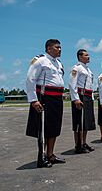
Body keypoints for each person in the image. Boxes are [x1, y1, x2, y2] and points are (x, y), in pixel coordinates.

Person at [26, 39, 66, 168]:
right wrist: (33, 100)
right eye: (57, 47)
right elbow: (30, 79)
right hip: (44, 98)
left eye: (60, 47)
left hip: (57, 99)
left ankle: (50, 154)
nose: (60, 49)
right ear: (48, 49)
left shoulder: (59, 63)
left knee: (54, 127)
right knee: (43, 128)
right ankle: (41, 156)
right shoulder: (40, 60)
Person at [69, 49, 95, 154]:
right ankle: (78, 145)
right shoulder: (77, 68)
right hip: (80, 96)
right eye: (86, 55)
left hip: (88, 96)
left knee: (86, 122)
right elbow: (72, 84)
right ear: (80, 57)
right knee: (79, 122)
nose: (88, 57)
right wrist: (76, 99)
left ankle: (84, 142)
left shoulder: (88, 70)